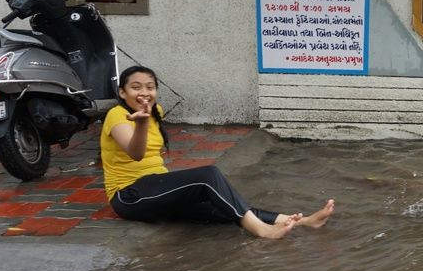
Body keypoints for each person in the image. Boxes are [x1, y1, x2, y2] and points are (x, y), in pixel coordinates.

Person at [102, 66, 335, 239]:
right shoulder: (116, 114)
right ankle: (262, 231)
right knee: (208, 176)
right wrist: (141, 124)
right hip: (129, 196)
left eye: (150, 87)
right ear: (122, 93)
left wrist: (146, 119)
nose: (144, 92)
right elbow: (135, 153)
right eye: (136, 87)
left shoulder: (156, 111)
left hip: (154, 190)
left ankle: (303, 221)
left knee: (225, 204)